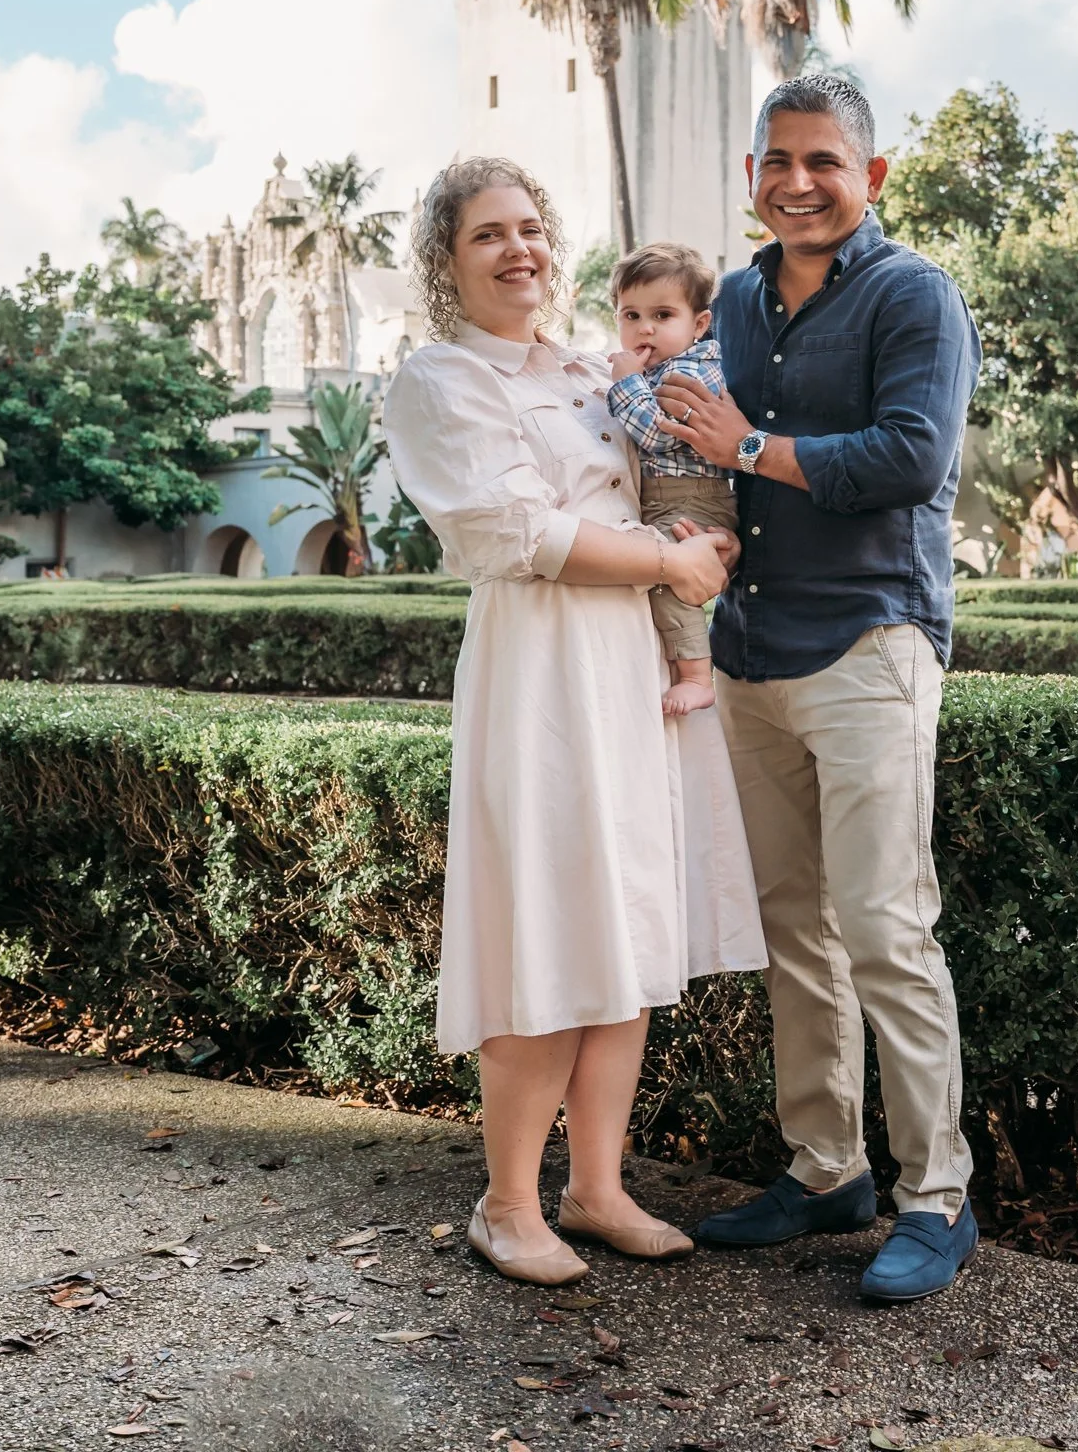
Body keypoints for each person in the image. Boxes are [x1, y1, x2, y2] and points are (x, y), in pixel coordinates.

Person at [382, 157, 765, 1288]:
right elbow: (516, 533)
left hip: (629, 664)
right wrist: (669, 562)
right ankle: (507, 1204)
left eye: (531, 228)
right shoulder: (442, 378)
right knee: (546, 926)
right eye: (488, 234)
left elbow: (668, 478)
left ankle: (596, 1189)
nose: (520, 250)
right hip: (541, 667)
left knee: (624, 928)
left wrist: (707, 538)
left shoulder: (595, 370)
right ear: (447, 261)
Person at [655, 75, 983, 1305]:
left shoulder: (914, 294)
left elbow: (913, 457)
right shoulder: (736, 301)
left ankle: (936, 1198)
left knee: (887, 927)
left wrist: (748, 446)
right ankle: (826, 1169)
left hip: (868, 645)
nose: (799, 183)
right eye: (778, 162)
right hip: (750, 652)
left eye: (825, 161)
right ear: (753, 177)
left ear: (871, 176)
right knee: (794, 928)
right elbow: (688, 451)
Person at [606, 242, 737, 715]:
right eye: (632, 315)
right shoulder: (657, 369)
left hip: (694, 498)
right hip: (669, 496)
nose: (645, 328)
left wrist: (625, 383)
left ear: (698, 324)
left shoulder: (692, 370)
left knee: (664, 571)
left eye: (663, 315)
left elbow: (659, 435)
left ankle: (698, 676)